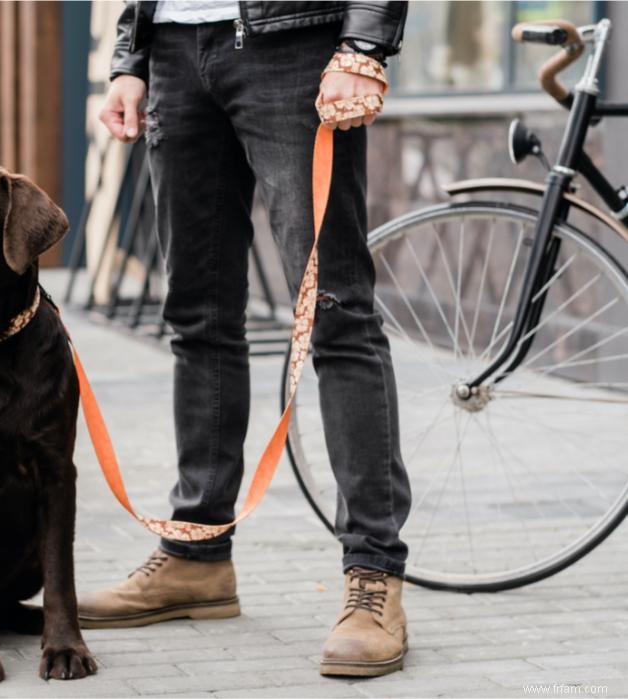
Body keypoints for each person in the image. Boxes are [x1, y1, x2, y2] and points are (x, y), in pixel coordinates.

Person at [78, 0, 412, 678]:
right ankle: (197, 554)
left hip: (293, 45)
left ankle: (374, 574)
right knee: (196, 316)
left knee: (336, 312)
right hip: (173, 50)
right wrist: (131, 57)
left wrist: (365, 44)